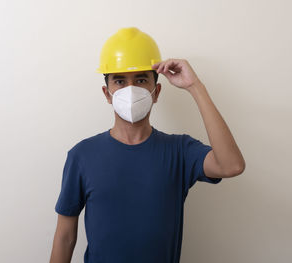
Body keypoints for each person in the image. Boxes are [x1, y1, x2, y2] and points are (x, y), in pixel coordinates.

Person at [49, 27, 245, 263]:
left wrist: (195, 86)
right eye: (119, 81)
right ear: (107, 93)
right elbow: (65, 237)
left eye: (141, 80)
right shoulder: (82, 155)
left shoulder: (179, 151)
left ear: (156, 91)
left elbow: (231, 165)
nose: (130, 90)